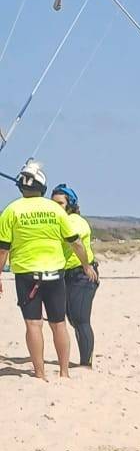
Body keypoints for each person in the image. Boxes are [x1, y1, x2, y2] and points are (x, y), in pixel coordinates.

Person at [0, 160, 95, 380]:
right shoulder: (55, 210)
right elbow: (76, 242)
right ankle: (64, 373)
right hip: (54, 274)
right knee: (58, 323)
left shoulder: (11, 211)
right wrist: (86, 264)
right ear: (42, 187)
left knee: (33, 324)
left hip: (26, 275)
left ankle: (40, 373)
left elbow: (3, 251)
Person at [51, 183, 99, 368]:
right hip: (63, 275)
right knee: (70, 319)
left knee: (80, 319)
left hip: (83, 275)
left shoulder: (75, 221)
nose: (56, 207)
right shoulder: (56, 220)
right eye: (52, 203)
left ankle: (86, 363)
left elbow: (74, 241)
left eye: (60, 204)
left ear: (70, 205)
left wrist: (86, 266)